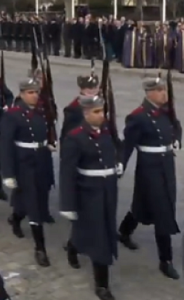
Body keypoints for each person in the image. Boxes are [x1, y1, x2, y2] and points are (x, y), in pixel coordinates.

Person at [117, 77, 182, 279]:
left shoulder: (166, 111)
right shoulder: (138, 117)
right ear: (149, 93)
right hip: (149, 168)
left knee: (142, 206)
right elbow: (127, 145)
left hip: (167, 166)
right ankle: (166, 260)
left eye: (164, 89)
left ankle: (124, 231)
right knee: (163, 211)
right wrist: (120, 165)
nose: (164, 93)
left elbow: (176, 126)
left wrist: (177, 140)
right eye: (160, 90)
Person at [59, 95, 122, 300]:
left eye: (102, 111)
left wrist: (117, 163)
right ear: (85, 114)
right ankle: (102, 285)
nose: (101, 115)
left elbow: (116, 148)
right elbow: (67, 172)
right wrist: (67, 204)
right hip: (88, 192)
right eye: (96, 112)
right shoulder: (75, 137)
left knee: (98, 229)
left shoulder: (105, 133)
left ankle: (73, 245)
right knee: (99, 236)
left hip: (108, 190)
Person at [0, 77, 55, 267]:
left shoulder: (41, 112)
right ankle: (40, 248)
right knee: (33, 203)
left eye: (36, 92)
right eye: (30, 92)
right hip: (24, 164)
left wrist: (49, 144)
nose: (34, 96)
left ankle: (15, 217)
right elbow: (5, 144)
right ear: (22, 94)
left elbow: (47, 132)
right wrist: (8, 173)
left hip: (41, 160)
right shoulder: (13, 115)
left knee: (34, 198)